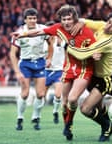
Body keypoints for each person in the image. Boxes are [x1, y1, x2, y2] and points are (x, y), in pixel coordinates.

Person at [11, 4, 96, 140]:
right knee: (62, 102)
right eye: (64, 19)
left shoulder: (85, 31)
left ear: (74, 19)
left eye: (69, 19)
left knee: (66, 97)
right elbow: (40, 33)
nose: (66, 22)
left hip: (76, 69)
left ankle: (61, 123)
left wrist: (96, 53)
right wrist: (23, 34)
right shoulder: (57, 28)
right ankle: (64, 124)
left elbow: (95, 45)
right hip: (62, 68)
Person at [67, 12, 112, 142]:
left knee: (85, 109)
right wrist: (78, 24)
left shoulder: (109, 42)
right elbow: (83, 20)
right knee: (99, 108)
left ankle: (108, 126)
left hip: (104, 79)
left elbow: (84, 52)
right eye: (109, 21)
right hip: (93, 76)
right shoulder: (102, 25)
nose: (108, 26)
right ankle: (107, 128)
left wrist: (68, 45)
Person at [9, 8, 52, 131]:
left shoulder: (43, 29)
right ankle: (20, 118)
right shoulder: (19, 33)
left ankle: (36, 118)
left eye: (34, 18)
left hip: (39, 63)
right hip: (25, 64)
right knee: (25, 93)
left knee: (41, 94)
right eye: (30, 18)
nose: (32, 21)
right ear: (25, 20)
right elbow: (12, 54)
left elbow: (51, 43)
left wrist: (49, 57)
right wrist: (17, 71)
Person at [44, 34, 65, 124]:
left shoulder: (60, 41)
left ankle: (55, 111)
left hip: (59, 71)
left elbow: (67, 48)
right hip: (47, 71)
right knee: (41, 95)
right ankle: (37, 116)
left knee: (58, 94)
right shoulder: (44, 43)